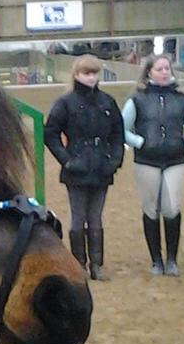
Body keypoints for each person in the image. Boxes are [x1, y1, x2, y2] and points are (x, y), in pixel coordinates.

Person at [44, 53, 124, 280]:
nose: (91, 78)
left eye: (94, 73)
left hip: (102, 167)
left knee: (96, 217)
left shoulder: (107, 101)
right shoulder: (65, 102)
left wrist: (115, 160)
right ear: (77, 75)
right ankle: (79, 263)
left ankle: (97, 265)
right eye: (86, 73)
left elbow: (118, 132)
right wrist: (67, 160)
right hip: (76, 168)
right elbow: (50, 133)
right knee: (78, 217)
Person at [122, 54, 184, 276]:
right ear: (149, 72)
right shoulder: (137, 99)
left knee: (172, 206)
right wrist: (139, 142)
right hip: (146, 160)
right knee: (151, 208)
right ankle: (156, 259)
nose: (165, 72)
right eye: (160, 69)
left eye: (167, 68)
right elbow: (122, 127)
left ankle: (172, 259)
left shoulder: (183, 98)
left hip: (175, 159)